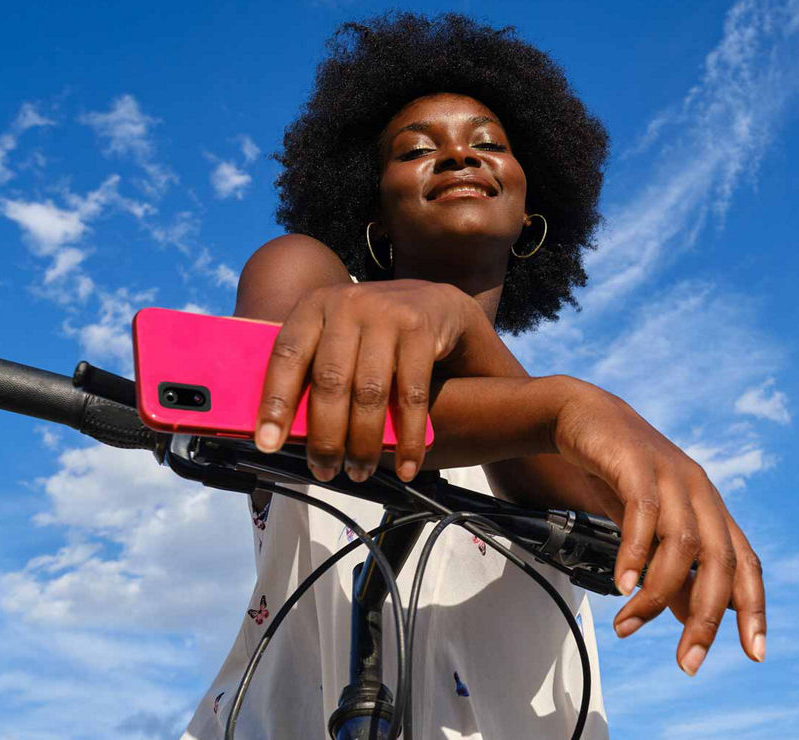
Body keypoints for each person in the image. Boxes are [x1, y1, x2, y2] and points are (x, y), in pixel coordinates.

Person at [182, 12, 766, 740]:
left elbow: (598, 508)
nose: (460, 156)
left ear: (529, 216)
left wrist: (484, 345)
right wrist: (556, 407)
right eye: (417, 150)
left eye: (488, 144)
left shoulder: (567, 424)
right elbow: (283, 415)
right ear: (376, 220)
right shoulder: (307, 282)